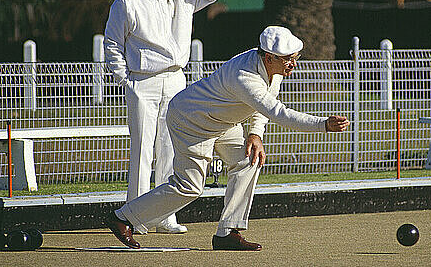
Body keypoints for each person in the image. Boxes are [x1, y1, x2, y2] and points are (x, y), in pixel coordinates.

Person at [105, 26, 350, 250]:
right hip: (192, 121)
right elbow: (276, 112)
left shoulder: (272, 70)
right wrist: (323, 124)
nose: (292, 65)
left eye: (294, 58)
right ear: (269, 57)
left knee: (248, 160)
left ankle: (227, 232)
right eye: (288, 59)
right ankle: (123, 218)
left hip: (223, 122)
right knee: (189, 187)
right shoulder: (245, 77)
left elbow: (263, 107)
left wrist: (255, 134)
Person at [103, 0, 224, 233]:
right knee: (143, 149)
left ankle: (165, 216)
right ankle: (132, 217)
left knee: (171, 149)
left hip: (176, 80)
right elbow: (112, 44)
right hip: (142, 81)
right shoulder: (127, 1)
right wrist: (126, 81)